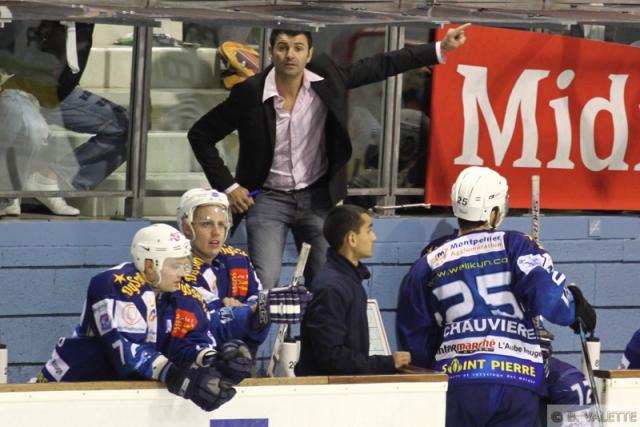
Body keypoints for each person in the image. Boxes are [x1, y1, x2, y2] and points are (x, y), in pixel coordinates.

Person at [188, 25, 470, 291]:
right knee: (266, 278)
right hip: (268, 199)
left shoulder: (327, 79)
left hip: (316, 197)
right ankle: (248, 344)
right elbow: (200, 134)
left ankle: (316, 343)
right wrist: (230, 187)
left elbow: (380, 65)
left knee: (325, 279)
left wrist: (437, 48)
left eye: (298, 48)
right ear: (271, 52)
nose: (290, 55)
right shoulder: (250, 93)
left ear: (308, 54)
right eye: (283, 47)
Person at [397, 166, 597, 427]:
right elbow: (546, 298)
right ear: (493, 212)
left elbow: (414, 336)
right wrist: (575, 310)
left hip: (456, 385)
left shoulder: (428, 261)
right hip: (516, 380)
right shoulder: (515, 244)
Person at [37, 224, 248, 412]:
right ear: (150, 265)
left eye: (186, 264)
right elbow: (127, 351)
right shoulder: (113, 285)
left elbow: (187, 343)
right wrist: (174, 374)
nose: (184, 273)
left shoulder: (185, 296)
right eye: (175, 265)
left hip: (126, 397)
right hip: (68, 389)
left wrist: (213, 358)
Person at [0, 20, 129, 217]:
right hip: (16, 86)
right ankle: (8, 191)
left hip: (59, 92)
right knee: (32, 128)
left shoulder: (83, 14)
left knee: (128, 127)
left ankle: (49, 181)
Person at [176, 188, 313, 353]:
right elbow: (210, 322)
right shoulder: (177, 268)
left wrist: (247, 310)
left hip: (241, 357)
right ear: (186, 227)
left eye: (221, 224)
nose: (216, 232)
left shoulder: (237, 259)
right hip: (196, 363)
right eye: (206, 224)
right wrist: (256, 309)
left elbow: (258, 299)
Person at [295, 204, 411, 376]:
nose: (374, 237)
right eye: (368, 230)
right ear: (352, 239)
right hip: (328, 395)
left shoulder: (349, 282)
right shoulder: (331, 288)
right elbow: (331, 357)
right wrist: (386, 362)